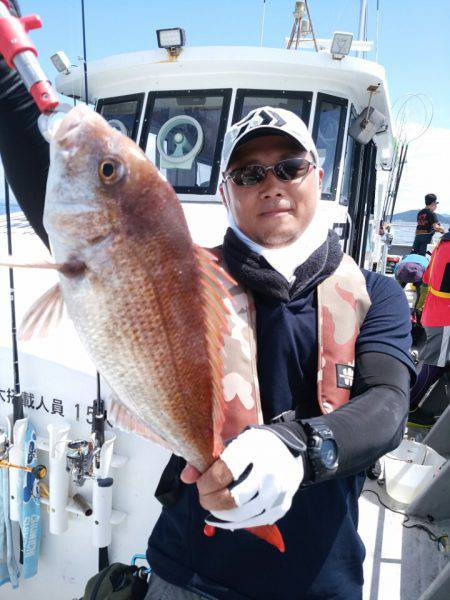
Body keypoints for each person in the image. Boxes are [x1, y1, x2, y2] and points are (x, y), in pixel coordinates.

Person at [0, 8, 415, 599]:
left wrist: (300, 447)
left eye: (289, 166)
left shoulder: (376, 293)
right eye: (248, 174)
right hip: (188, 568)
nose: (271, 182)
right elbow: (80, 228)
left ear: (316, 176)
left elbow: (389, 406)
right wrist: (6, 77)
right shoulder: (175, 270)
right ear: (225, 193)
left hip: (324, 580)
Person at [409, 229, 450, 427]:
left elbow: (426, 280)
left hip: (432, 311)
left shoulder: (442, 244)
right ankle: (408, 407)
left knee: (430, 360)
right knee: (433, 363)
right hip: (444, 316)